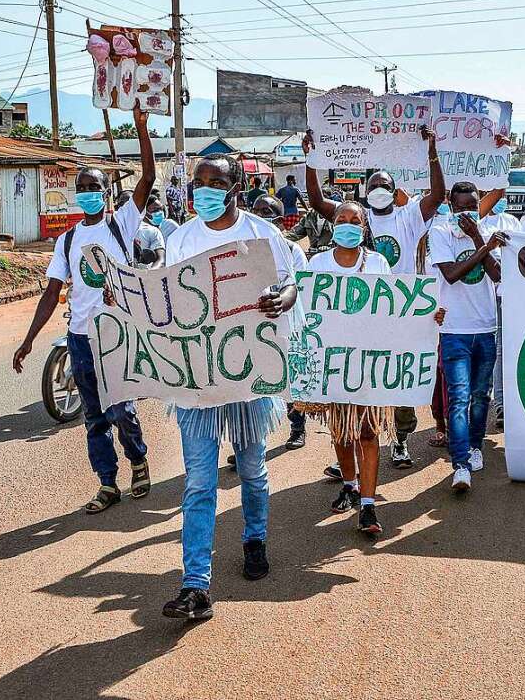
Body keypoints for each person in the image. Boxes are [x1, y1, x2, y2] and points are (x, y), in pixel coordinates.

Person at [161, 153, 297, 621]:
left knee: (253, 471)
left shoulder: (263, 234)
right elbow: (166, 300)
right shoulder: (179, 239)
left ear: (235, 187)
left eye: (214, 183)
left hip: (249, 377)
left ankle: (254, 538)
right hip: (197, 381)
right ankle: (195, 583)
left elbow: (290, 283)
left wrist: (282, 299)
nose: (205, 192)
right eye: (199, 183)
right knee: (199, 482)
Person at [12, 107, 155, 515]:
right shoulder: (68, 240)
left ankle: (138, 459)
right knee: (92, 416)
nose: (88, 191)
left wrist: (142, 129)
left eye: (94, 186)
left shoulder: (121, 224)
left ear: (107, 193)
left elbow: (146, 178)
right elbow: (51, 292)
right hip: (79, 337)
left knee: (121, 409)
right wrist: (28, 341)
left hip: (117, 335)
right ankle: (107, 483)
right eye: (82, 186)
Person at [304, 125, 447, 471]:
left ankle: (399, 441)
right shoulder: (355, 216)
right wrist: (311, 158)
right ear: (365, 194)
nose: (379, 190)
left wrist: (432, 152)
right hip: (354, 320)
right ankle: (349, 454)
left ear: (395, 192)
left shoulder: (409, 217)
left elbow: (438, 195)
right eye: (374, 187)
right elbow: (316, 200)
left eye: (385, 186)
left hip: (399, 316)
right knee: (353, 384)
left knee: (394, 380)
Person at [301, 201, 393, 535]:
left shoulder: (379, 263)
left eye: (356, 221)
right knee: (342, 431)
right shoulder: (318, 263)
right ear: (333, 224)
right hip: (333, 365)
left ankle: (368, 507)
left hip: (368, 363)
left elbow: (396, 308)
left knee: (368, 432)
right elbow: (305, 311)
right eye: (342, 219)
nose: (348, 225)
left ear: (365, 229)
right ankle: (350, 483)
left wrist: (428, 317)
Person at [428, 181, 506, 493]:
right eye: (459, 207)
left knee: (480, 395)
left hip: (485, 327)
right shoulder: (440, 233)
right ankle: (460, 464)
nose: (466, 213)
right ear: (449, 205)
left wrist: (478, 238)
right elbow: (451, 273)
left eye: (471, 206)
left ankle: (475, 447)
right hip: (453, 331)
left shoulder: (485, 231)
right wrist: (485, 247)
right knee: (458, 397)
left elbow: (497, 274)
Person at [250, 194, 309, 452]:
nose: (261, 218)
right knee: (253, 385)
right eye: (257, 212)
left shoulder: (292, 251)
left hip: (285, 326)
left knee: (289, 380)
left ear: (281, 223)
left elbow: (299, 287)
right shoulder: (241, 250)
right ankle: (253, 440)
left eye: (267, 213)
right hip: (252, 329)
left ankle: (297, 427)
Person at [479, 191, 521, 430]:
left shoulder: (512, 222)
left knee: (508, 347)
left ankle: (508, 403)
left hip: (510, 293)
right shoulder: (477, 222)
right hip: (485, 294)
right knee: (495, 349)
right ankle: (497, 403)